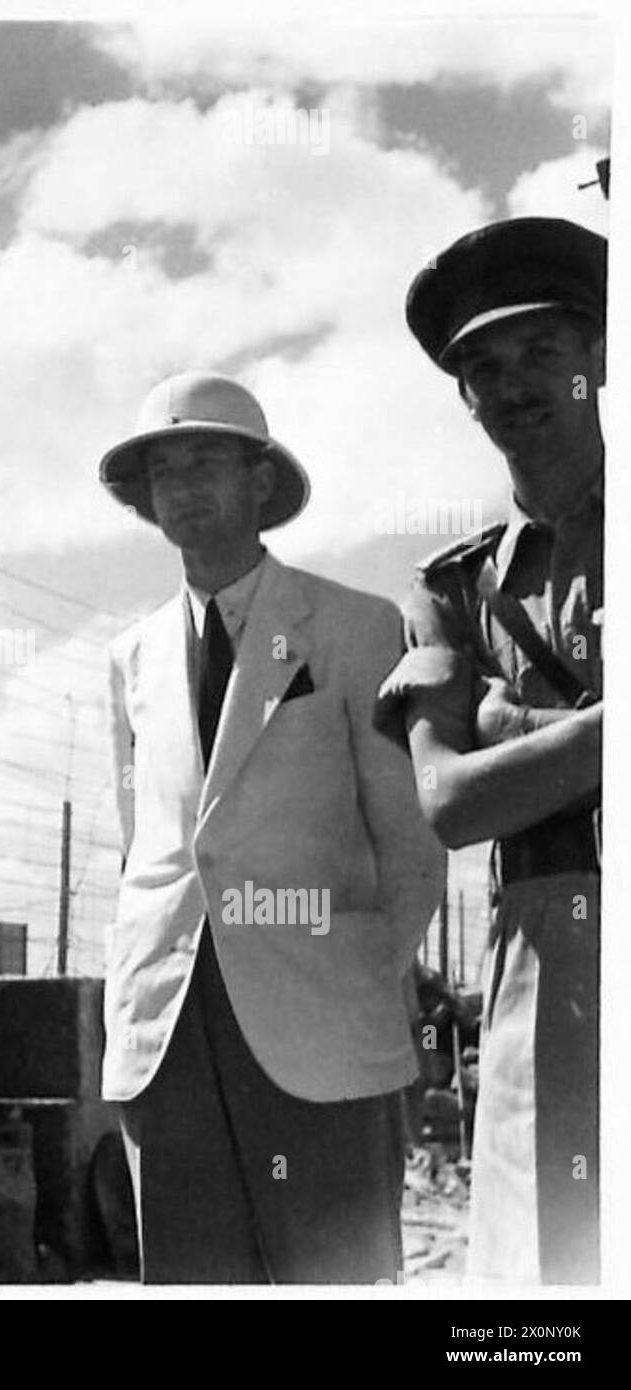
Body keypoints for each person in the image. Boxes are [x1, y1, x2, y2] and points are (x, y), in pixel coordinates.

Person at [99, 371, 445, 1283]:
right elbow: (145, 848)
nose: (184, 484)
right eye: (163, 469)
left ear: (261, 480)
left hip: (318, 1030)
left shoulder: (356, 628)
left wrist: (351, 981)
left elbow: (411, 848)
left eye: (208, 458)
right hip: (169, 1035)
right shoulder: (128, 659)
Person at [375, 218, 604, 1284]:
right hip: (544, 947)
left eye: (540, 351)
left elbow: (488, 773)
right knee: (543, 1275)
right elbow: (454, 804)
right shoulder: (449, 590)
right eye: (480, 365)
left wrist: (519, 727)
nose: (512, 384)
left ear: (597, 357)